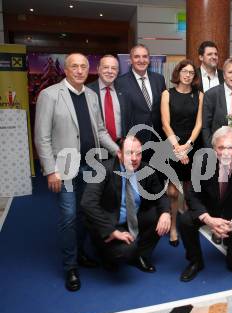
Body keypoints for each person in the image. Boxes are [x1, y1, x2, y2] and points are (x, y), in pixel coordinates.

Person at [34, 53, 119, 292]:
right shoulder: (49, 95)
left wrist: (118, 151)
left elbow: (100, 131)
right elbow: (42, 137)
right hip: (64, 168)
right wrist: (51, 171)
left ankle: (81, 253)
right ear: (66, 70)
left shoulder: (91, 96)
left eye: (83, 66)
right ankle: (70, 266)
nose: (80, 71)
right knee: (69, 215)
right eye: (75, 66)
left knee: (85, 213)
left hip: (91, 166)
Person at [178, 126, 232, 282]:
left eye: (230, 147)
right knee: (185, 221)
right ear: (214, 148)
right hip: (210, 211)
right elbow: (192, 195)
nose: (226, 152)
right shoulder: (202, 162)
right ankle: (195, 261)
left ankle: (230, 240)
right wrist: (208, 219)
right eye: (221, 147)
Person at [81, 136, 171, 273]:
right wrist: (111, 230)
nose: (134, 158)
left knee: (159, 214)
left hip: (132, 218)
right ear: (119, 154)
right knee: (127, 251)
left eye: (138, 153)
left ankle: (141, 256)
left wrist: (166, 212)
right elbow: (87, 203)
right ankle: (106, 253)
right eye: (129, 153)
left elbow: (161, 196)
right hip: (110, 222)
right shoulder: (103, 170)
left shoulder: (146, 170)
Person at [161, 59, 203, 247]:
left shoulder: (199, 95)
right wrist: (178, 148)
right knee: (173, 191)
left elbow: (199, 124)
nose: (187, 75)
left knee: (189, 190)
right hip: (172, 145)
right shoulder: (167, 94)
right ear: (178, 73)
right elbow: (165, 124)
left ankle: (188, 225)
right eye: (184, 71)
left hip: (192, 145)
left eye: (191, 73)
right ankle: (173, 228)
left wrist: (188, 145)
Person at [116, 44, 166, 153]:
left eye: (145, 56)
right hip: (135, 140)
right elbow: (121, 113)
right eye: (137, 56)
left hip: (158, 138)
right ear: (130, 60)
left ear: (149, 59)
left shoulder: (159, 79)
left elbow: (164, 108)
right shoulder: (120, 82)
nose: (141, 60)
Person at [201, 58, 232, 147]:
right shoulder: (211, 95)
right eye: (230, 72)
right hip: (218, 150)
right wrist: (212, 149)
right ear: (224, 75)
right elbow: (205, 127)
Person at [88, 55, 130, 141]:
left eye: (114, 68)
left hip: (120, 144)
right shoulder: (88, 91)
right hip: (96, 146)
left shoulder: (125, 90)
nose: (110, 71)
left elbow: (129, 118)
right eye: (106, 67)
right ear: (98, 69)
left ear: (118, 71)